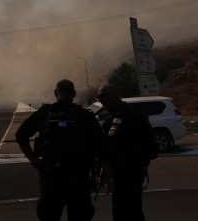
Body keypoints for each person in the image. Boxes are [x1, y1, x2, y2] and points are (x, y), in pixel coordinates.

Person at [16, 79, 113, 221]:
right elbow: (101, 147)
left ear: (56, 93)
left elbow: (20, 135)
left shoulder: (45, 113)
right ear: (74, 93)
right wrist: (107, 174)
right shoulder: (85, 116)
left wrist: (32, 158)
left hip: (51, 179)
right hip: (78, 179)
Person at [96, 83, 152, 221]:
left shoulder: (118, 119)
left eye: (102, 96)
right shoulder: (137, 114)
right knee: (134, 210)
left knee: (122, 212)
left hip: (123, 174)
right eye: (98, 97)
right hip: (136, 171)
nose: (100, 100)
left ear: (115, 95)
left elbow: (109, 148)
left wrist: (107, 174)